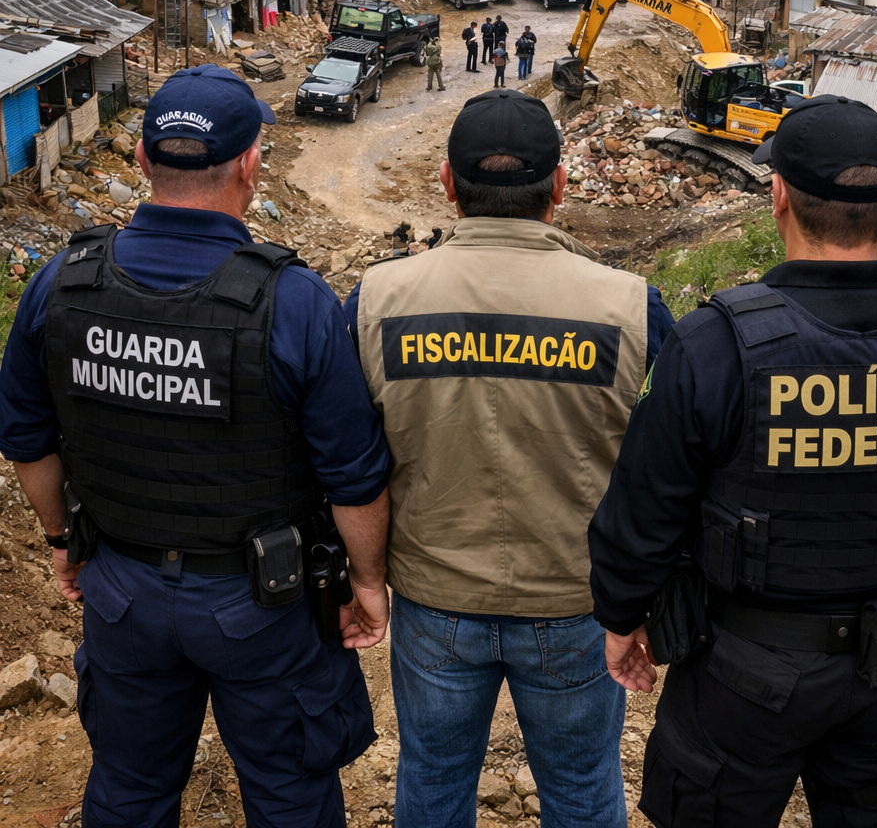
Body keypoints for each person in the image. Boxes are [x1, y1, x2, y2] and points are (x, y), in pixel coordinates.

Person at [589, 97, 877, 828]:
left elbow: (645, 507)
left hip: (741, 673)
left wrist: (620, 616)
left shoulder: (713, 345)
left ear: (778, 194)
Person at [0, 66, 393, 828]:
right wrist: (367, 583)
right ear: (250, 165)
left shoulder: (62, 283)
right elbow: (353, 476)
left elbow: (25, 438)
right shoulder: (294, 300)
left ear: (143, 163)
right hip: (264, 605)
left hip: (121, 591)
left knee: (130, 790)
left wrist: (61, 541)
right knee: (289, 794)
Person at [342, 90, 678, 828]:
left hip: (435, 601)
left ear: (446, 184)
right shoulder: (632, 307)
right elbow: (670, 472)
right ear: (559, 186)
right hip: (576, 605)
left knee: (431, 778)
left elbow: (347, 458)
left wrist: (364, 579)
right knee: (583, 785)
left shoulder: (376, 300)